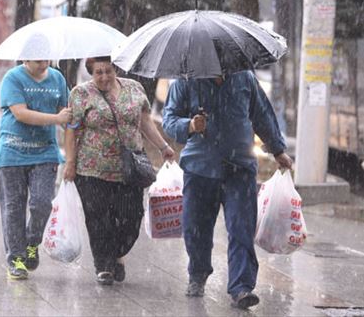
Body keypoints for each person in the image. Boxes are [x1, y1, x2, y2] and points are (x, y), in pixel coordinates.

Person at [162, 71, 293, 309]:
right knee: (195, 229)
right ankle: (198, 273)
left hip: (240, 169)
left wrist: (277, 150)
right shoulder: (186, 80)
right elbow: (169, 119)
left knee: (241, 228)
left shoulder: (245, 78)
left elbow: (262, 114)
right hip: (200, 168)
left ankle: (241, 287)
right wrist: (189, 125)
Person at [63, 56, 175, 285]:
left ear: (115, 69)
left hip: (129, 168)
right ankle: (103, 265)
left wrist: (163, 146)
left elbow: (145, 122)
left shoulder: (134, 89)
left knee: (131, 217)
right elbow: (71, 130)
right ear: (91, 74)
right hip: (92, 169)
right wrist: (70, 163)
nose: (103, 77)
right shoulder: (81, 94)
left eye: (107, 71)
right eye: (98, 73)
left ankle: (116, 253)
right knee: (98, 219)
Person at [0, 60, 71, 280]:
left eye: (45, 58)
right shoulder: (12, 78)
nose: (42, 63)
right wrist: (57, 119)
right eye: (37, 59)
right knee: (13, 208)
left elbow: (66, 114)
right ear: (25, 59)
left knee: (43, 203)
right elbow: (20, 113)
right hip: (12, 152)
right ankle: (16, 259)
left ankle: (31, 242)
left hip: (45, 153)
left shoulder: (57, 78)